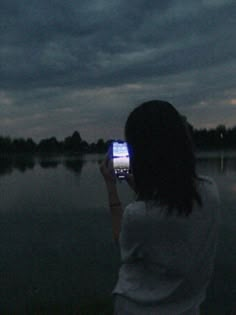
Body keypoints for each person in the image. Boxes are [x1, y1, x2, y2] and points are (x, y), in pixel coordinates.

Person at [100, 100, 220, 315]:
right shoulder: (209, 192)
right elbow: (167, 199)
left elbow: (121, 241)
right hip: (188, 307)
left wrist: (111, 186)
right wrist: (131, 180)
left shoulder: (138, 216)